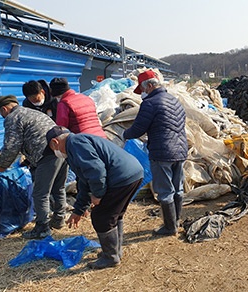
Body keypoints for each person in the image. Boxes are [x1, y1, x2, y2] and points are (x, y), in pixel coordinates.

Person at [47, 126, 143, 269]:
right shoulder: (76, 145)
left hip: (121, 177)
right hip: (133, 173)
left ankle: (111, 257)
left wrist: (98, 194)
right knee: (115, 214)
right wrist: (78, 210)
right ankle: (114, 251)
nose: (55, 153)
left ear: (55, 142)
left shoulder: (75, 144)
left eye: (52, 149)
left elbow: (96, 171)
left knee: (101, 217)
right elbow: (84, 181)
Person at [0, 95, 69, 239]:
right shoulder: (31, 112)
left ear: (4, 109)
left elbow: (11, 146)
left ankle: (42, 228)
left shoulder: (12, 117)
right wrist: (27, 161)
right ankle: (59, 219)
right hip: (62, 149)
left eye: (1, 113)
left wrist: (1, 167)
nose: (2, 116)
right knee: (58, 187)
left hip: (46, 154)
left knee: (40, 194)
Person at [123, 70, 188, 236]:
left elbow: (138, 129)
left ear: (150, 86)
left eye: (143, 90)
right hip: (180, 150)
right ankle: (176, 221)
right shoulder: (174, 100)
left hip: (162, 152)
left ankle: (169, 227)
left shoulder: (150, 103)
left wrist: (124, 134)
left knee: (165, 191)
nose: (142, 94)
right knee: (178, 188)